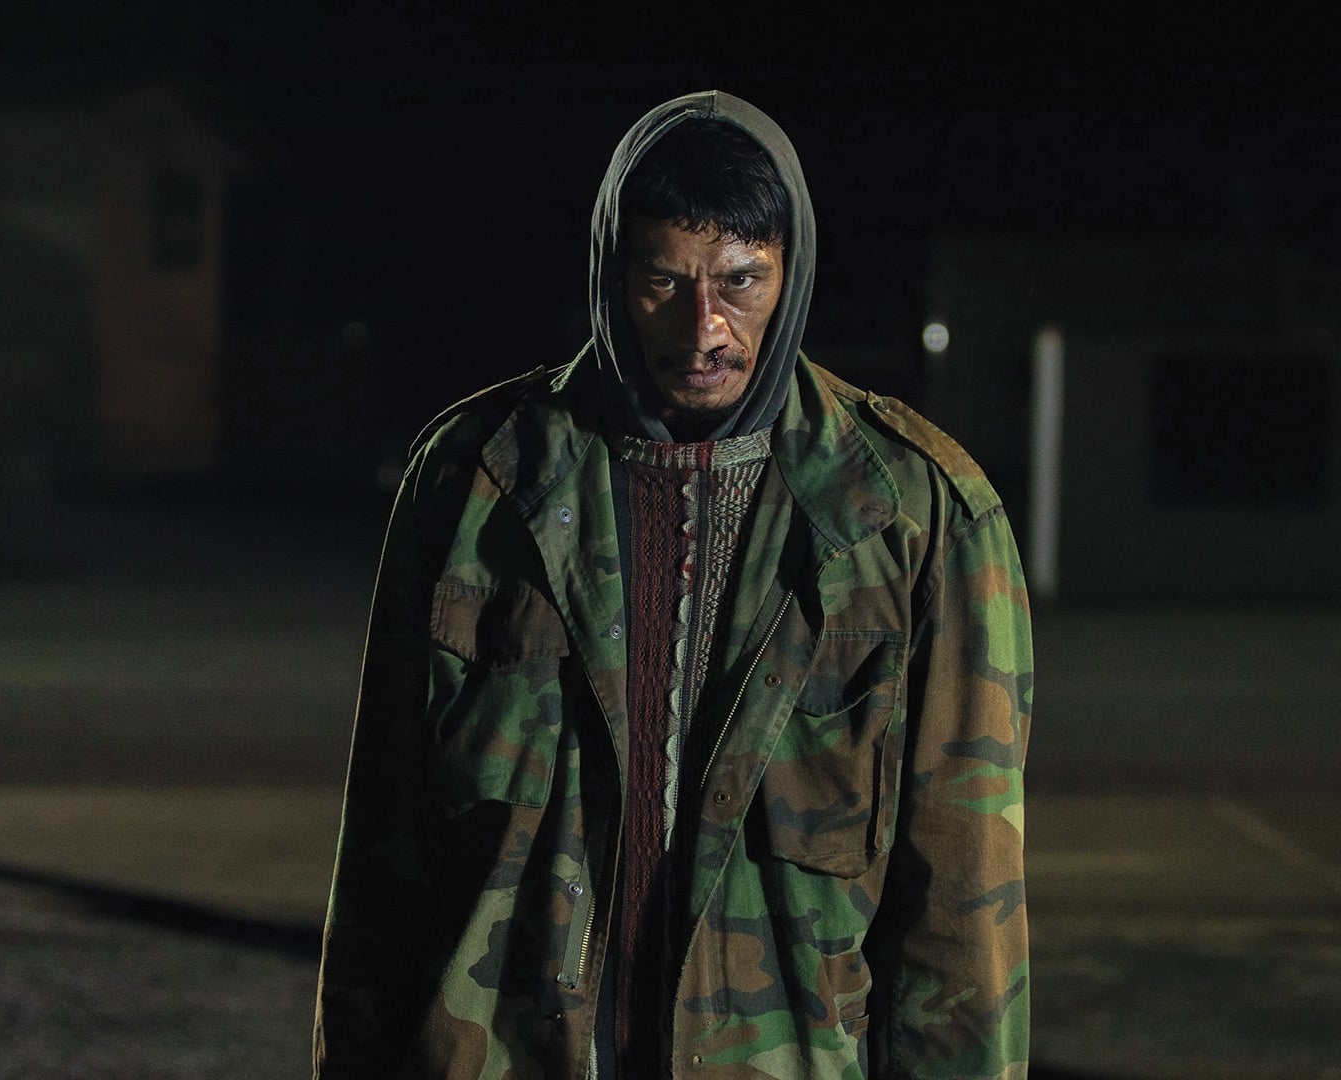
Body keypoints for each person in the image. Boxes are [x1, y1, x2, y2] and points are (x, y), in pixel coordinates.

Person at [313, 90, 1032, 1079]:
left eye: (742, 281)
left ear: (793, 275)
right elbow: (382, 857)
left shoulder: (912, 513)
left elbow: (962, 904)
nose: (705, 329)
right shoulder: (477, 481)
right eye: (665, 283)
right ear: (613, 274)